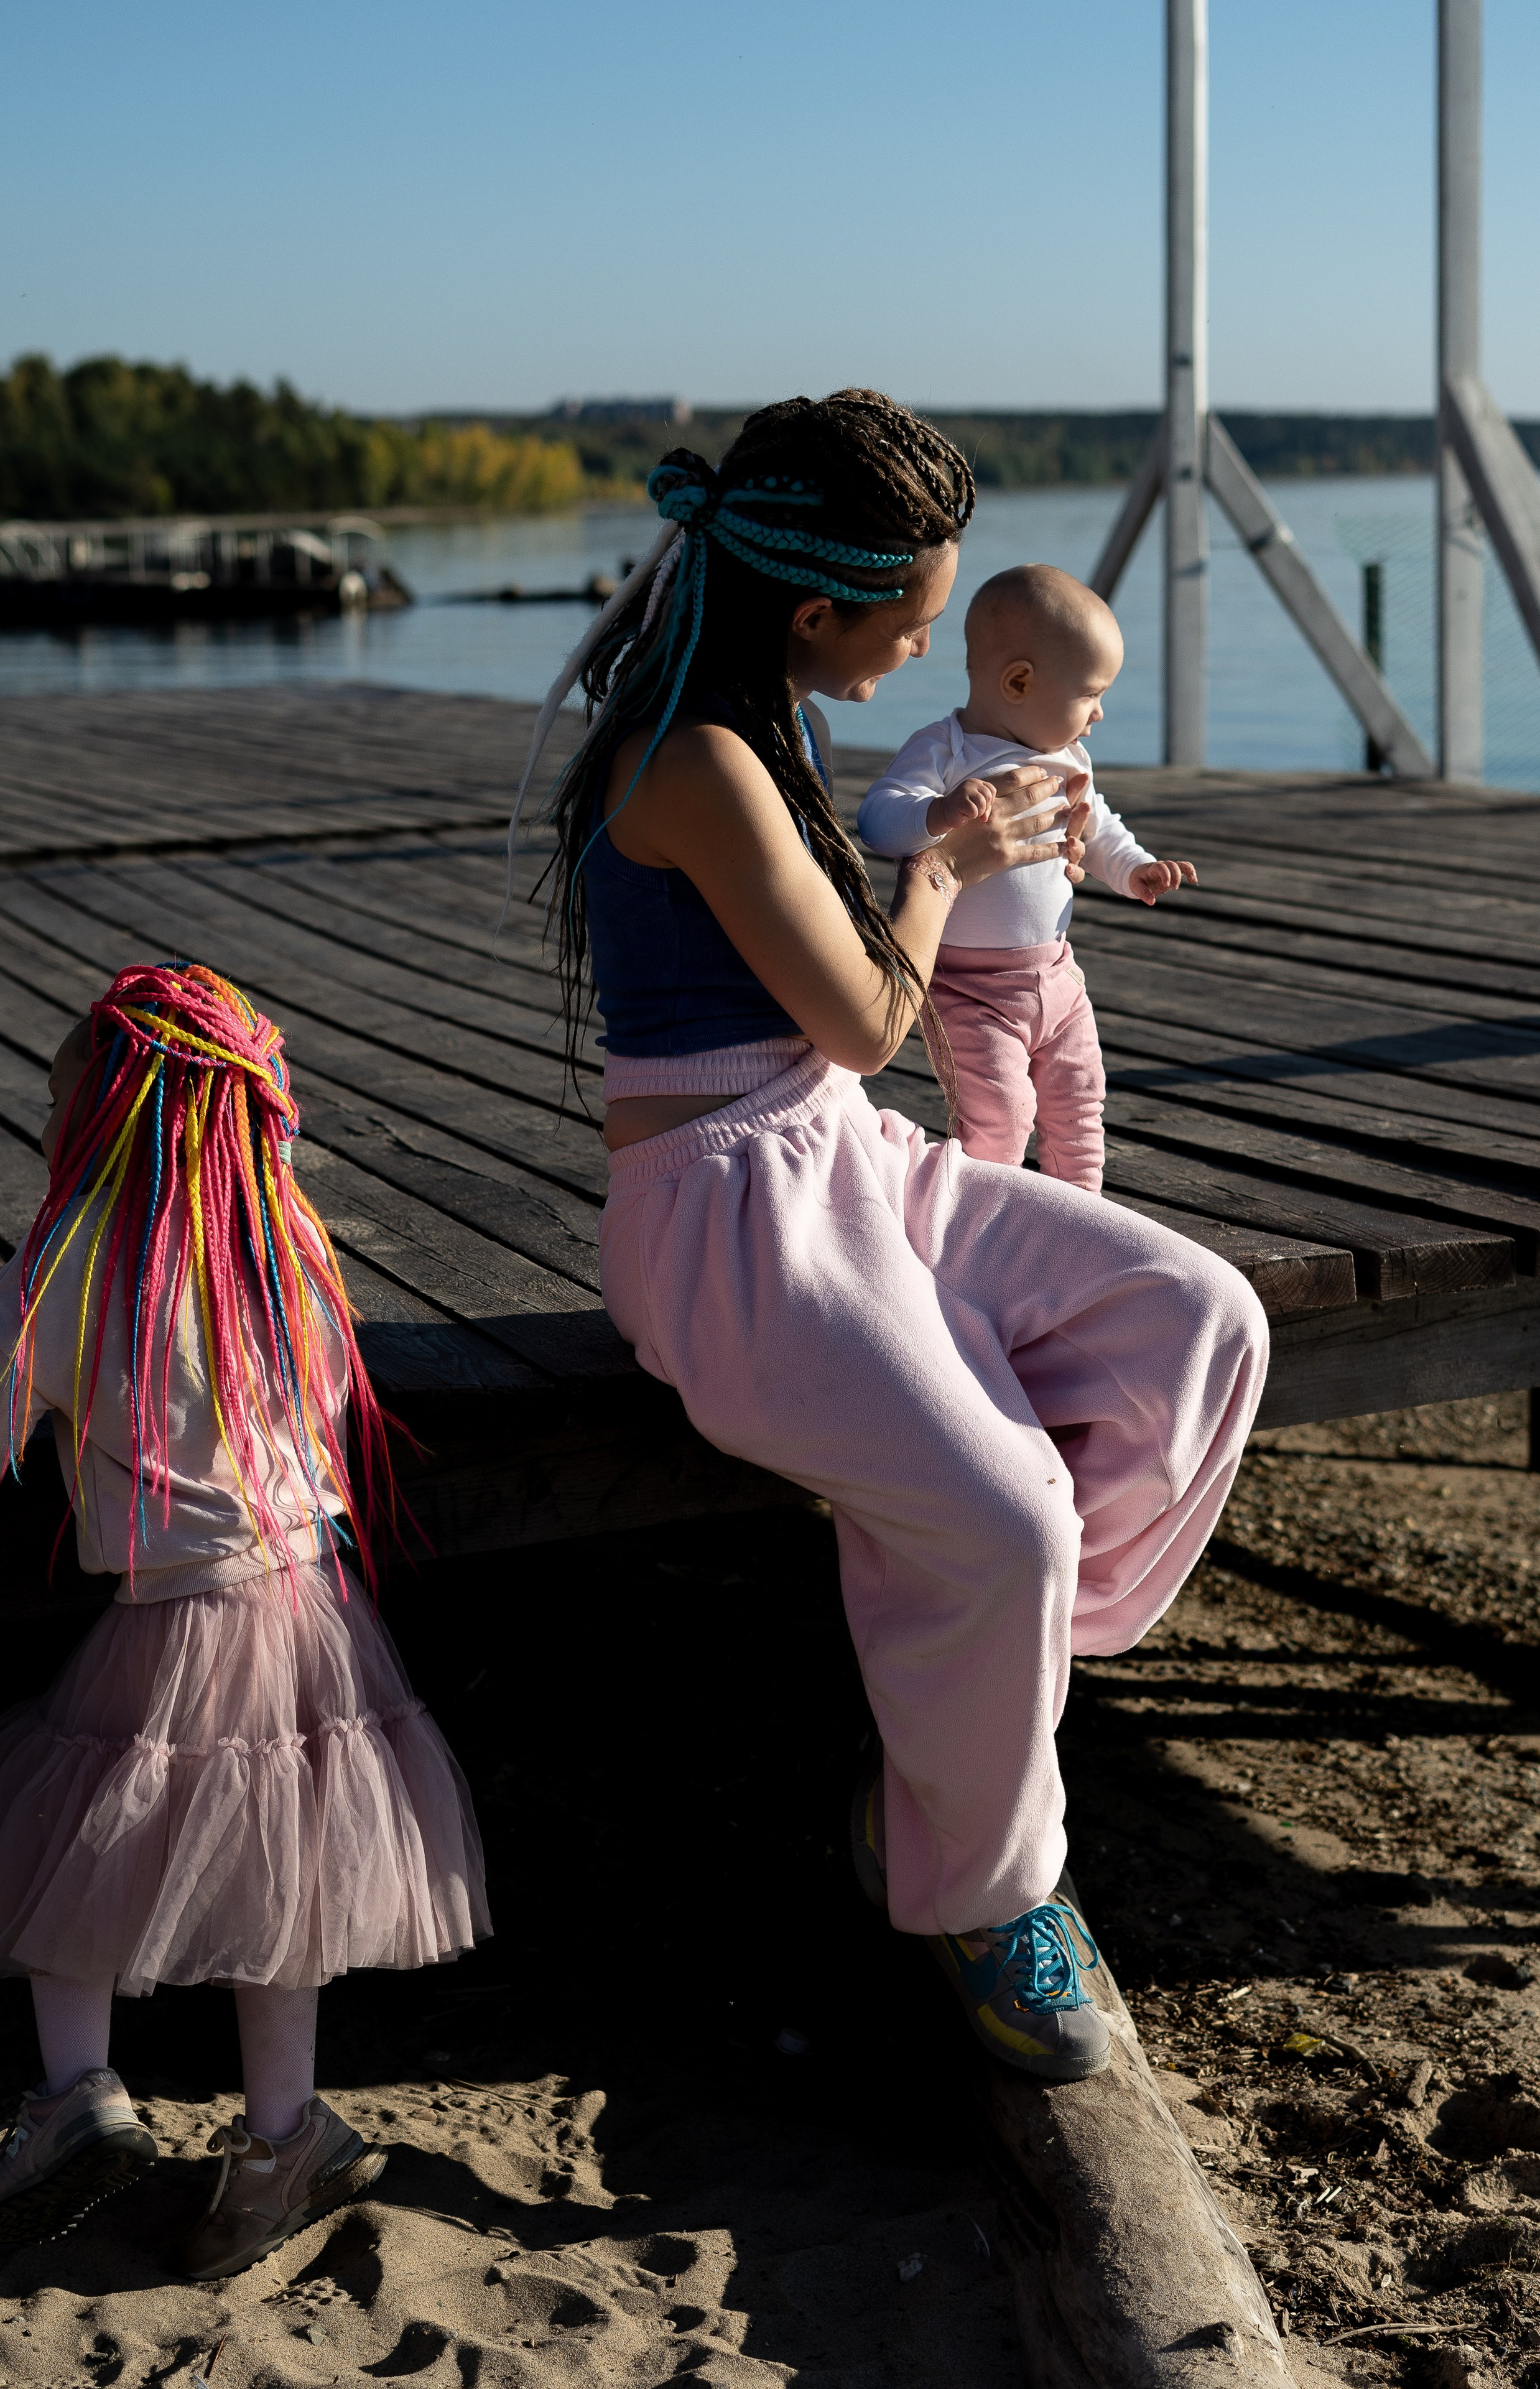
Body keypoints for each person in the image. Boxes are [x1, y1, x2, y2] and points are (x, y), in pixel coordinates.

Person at [528, 389, 1268, 2083]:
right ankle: (983, 1880)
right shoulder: (698, 759)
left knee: (1201, 1320)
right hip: (729, 1216)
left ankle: (956, 1733)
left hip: (846, 1157)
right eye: (916, 625)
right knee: (1005, 1511)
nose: (925, 655)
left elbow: (851, 1066)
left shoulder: (770, 714)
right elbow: (868, 1013)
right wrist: (945, 865)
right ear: (813, 612)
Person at [0, 964, 488, 2268]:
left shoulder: (69, 1259)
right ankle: (283, 2133)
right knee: (283, 1865)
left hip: (181, 1615)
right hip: (311, 1605)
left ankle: (75, 2098)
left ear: (100, 1122)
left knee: (66, 1834)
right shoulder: (287, 1251)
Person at [857, 563, 1198, 1188]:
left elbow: (1098, 827)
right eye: (1090, 694)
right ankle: (990, 1223)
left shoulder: (1068, 757)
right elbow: (878, 822)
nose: (1097, 715)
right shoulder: (945, 751)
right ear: (1019, 681)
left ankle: (1081, 1214)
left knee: (1079, 1106)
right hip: (969, 989)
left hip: (1057, 975)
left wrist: (1134, 869)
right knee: (998, 1120)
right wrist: (935, 813)